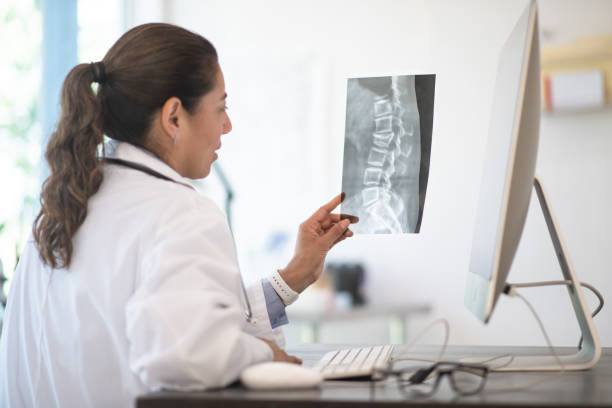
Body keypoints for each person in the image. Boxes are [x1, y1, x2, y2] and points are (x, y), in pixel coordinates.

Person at [0, 23, 355, 407]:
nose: (227, 125)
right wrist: (269, 355)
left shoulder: (62, 205)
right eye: (220, 107)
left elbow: (174, 318)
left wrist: (289, 281)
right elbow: (187, 353)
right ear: (173, 117)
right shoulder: (181, 211)